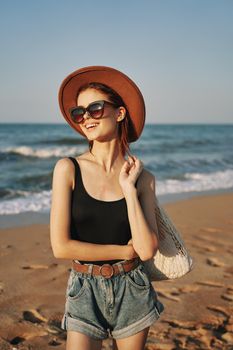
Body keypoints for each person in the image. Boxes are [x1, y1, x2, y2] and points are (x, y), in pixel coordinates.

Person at [50, 66, 164, 350]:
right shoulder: (67, 169)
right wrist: (123, 251)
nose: (85, 117)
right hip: (83, 288)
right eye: (79, 113)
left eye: (95, 108)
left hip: (133, 288)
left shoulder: (142, 179)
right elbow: (61, 247)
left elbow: (147, 249)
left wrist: (128, 189)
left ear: (120, 113)